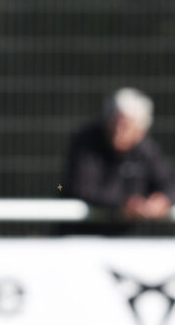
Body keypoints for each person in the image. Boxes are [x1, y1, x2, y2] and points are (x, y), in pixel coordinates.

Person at [62, 87, 175, 236]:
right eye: (115, 122)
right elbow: (81, 187)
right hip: (81, 235)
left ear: (140, 131)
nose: (119, 130)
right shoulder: (86, 143)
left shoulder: (146, 150)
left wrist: (163, 199)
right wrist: (123, 203)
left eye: (126, 125)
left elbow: (168, 182)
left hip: (124, 238)